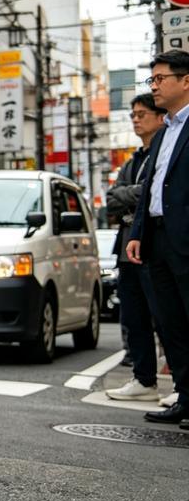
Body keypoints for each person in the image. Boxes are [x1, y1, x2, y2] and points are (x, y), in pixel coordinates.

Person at [127, 49, 189, 429]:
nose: (154, 87)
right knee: (171, 323)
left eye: (160, 79)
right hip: (157, 238)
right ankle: (186, 395)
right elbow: (151, 186)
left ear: (186, 80)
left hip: (185, 238)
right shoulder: (165, 129)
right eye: (152, 80)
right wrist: (138, 233)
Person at [105, 94, 166, 401]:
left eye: (142, 113)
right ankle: (144, 379)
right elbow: (111, 199)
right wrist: (135, 196)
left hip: (154, 245)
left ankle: (182, 385)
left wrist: (129, 197)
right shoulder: (132, 160)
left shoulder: (165, 151)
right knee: (133, 316)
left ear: (160, 117)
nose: (136, 119)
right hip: (127, 247)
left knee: (166, 315)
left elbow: (153, 191)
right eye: (133, 114)